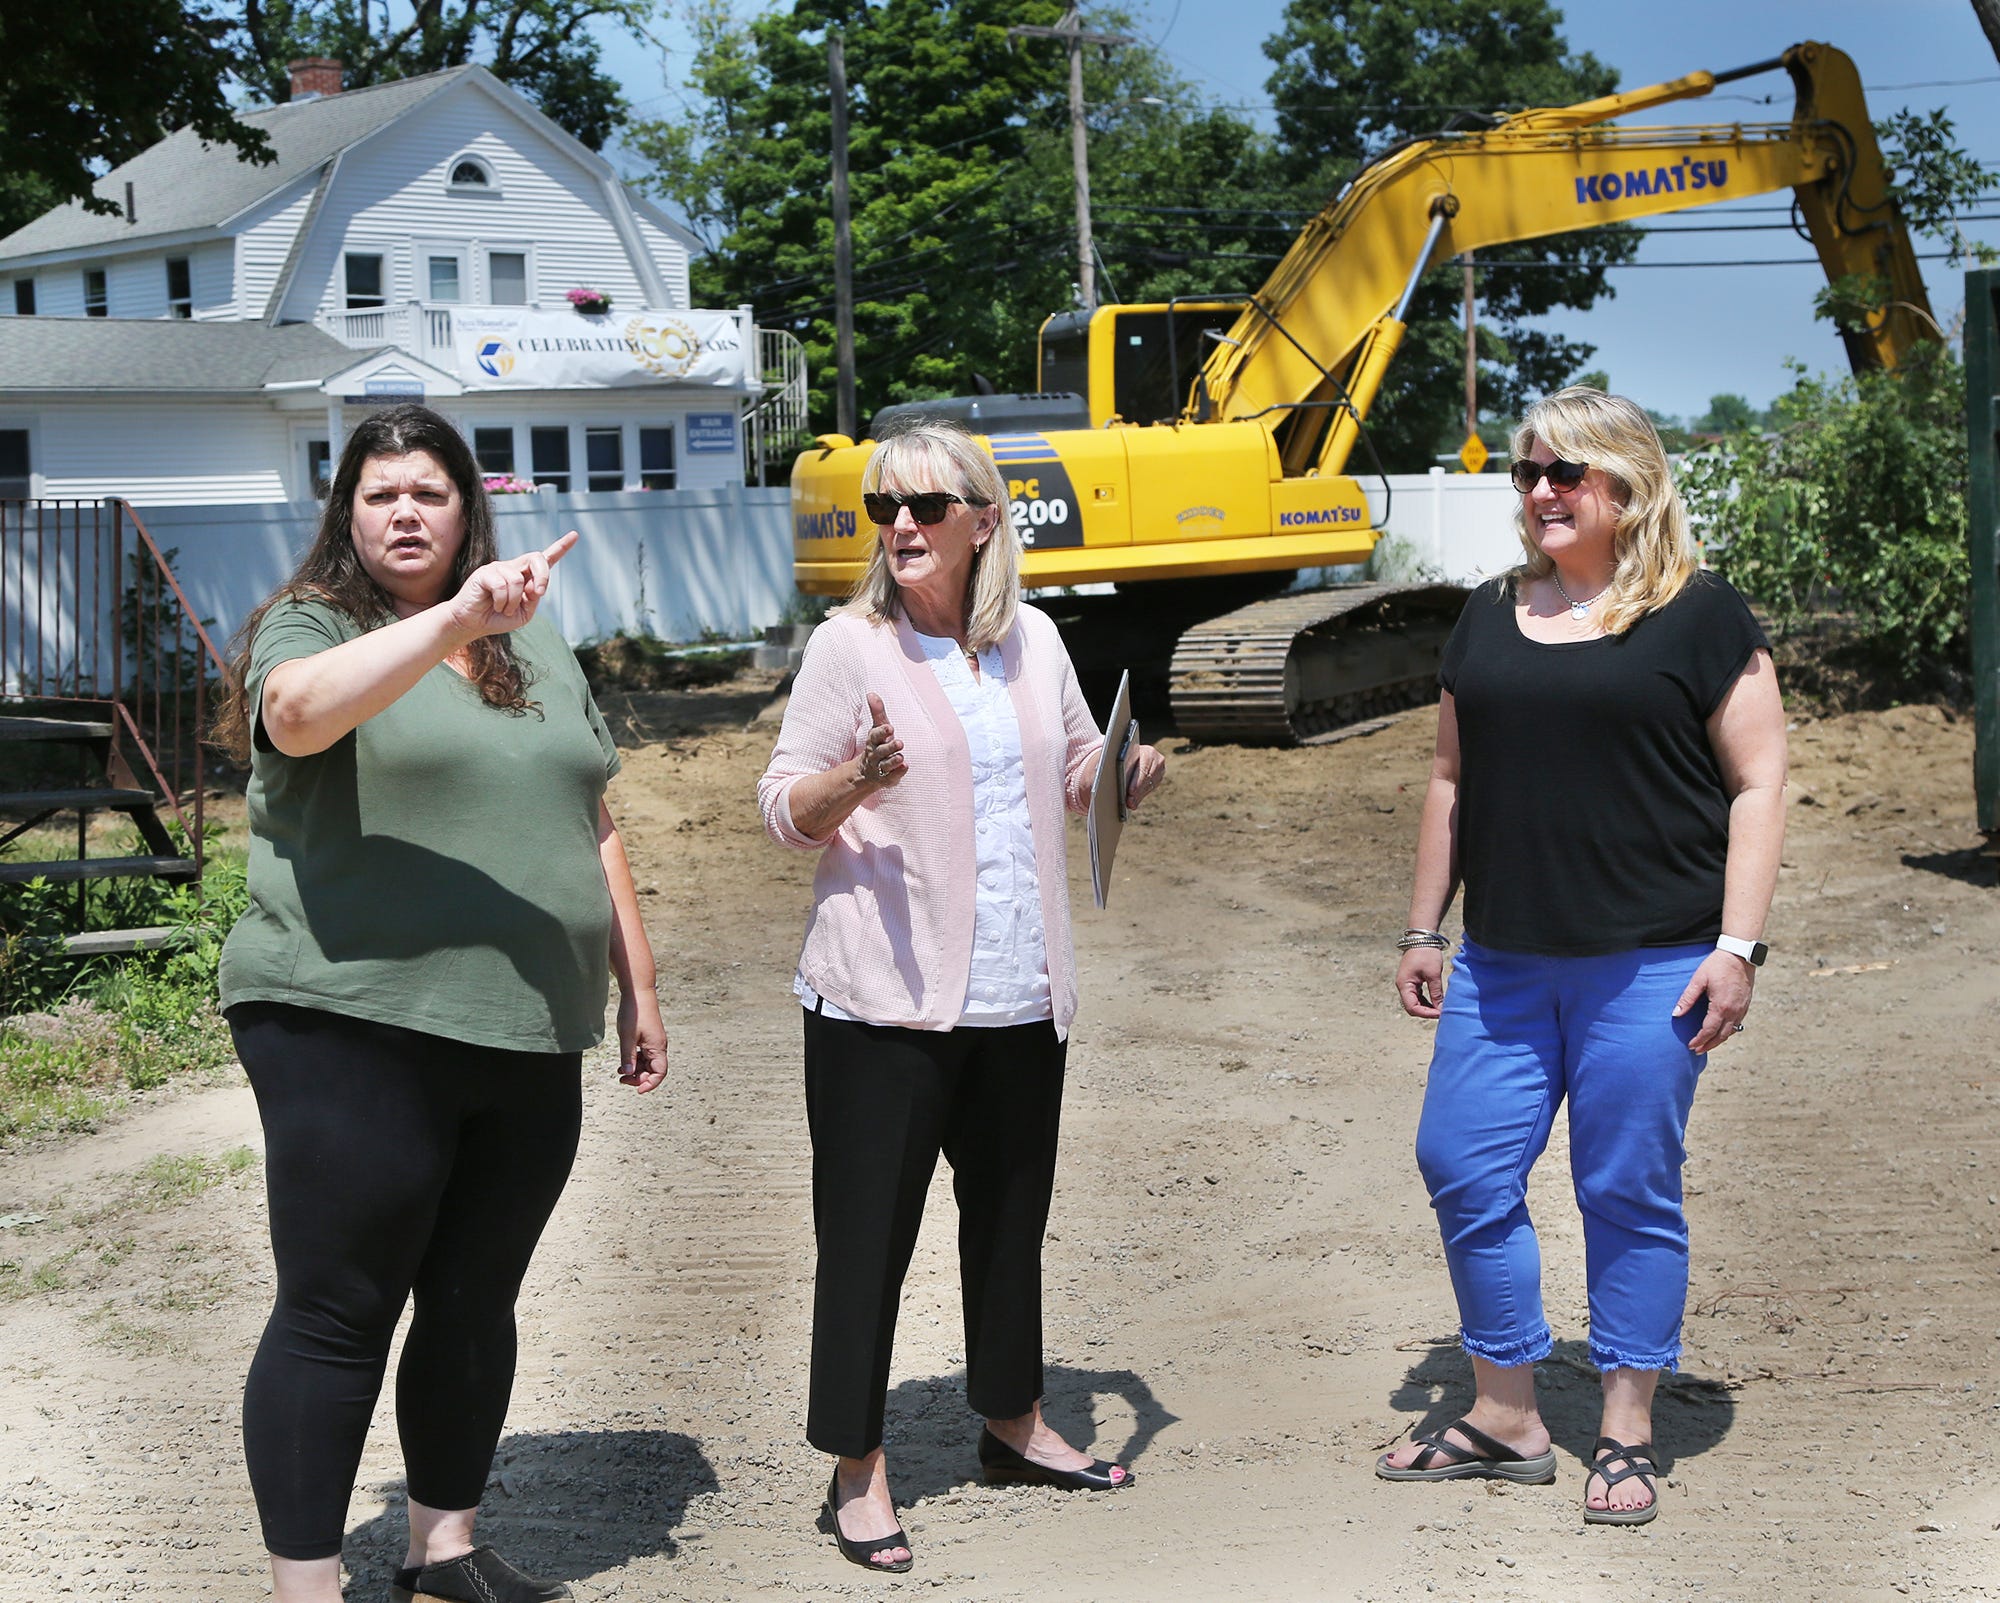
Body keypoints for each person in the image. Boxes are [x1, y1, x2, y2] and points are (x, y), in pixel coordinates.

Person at [213, 404, 667, 1603]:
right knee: (338, 1306)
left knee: (473, 1300)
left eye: (428, 491)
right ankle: (307, 1587)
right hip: (350, 1019)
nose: (404, 512)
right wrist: (455, 618)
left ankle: (441, 1548)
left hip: (525, 1024)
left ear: (468, 510)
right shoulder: (313, 622)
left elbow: (589, 812)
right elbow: (297, 714)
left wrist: (637, 983)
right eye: (380, 494)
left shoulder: (533, 641)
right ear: (347, 513)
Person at [757, 420, 1166, 1573]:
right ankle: (857, 1466)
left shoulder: (1034, 638)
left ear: (984, 520)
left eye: (925, 506)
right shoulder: (848, 646)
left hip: (1018, 996)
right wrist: (856, 778)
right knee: (864, 1242)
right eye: (883, 506)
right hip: (880, 1006)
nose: (899, 525)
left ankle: (1012, 1421)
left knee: (1006, 1228)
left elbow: (1076, 767)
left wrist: (1122, 771)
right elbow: (782, 808)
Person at [1376, 387, 1786, 1526]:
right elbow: (1449, 778)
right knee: (1462, 1163)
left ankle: (1625, 1427)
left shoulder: (1699, 615)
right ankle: (1504, 1412)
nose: (1542, 491)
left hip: (1651, 963)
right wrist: (1423, 926)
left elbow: (1758, 783)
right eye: (1528, 473)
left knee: (1622, 1186)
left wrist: (1737, 947)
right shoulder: (1485, 614)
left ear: (1627, 483)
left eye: (1567, 471)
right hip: (1503, 962)